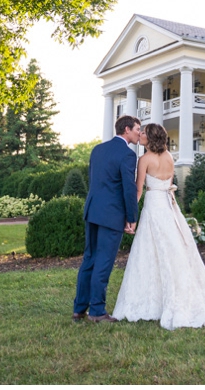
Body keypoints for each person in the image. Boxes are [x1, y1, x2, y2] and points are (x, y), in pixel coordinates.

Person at [112, 122, 205, 330]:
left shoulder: (144, 159)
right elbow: (170, 185)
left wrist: (130, 217)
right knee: (174, 251)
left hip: (154, 207)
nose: (141, 135)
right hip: (169, 207)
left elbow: (138, 192)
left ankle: (151, 302)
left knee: (149, 252)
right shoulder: (169, 158)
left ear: (151, 138)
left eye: (144, 133)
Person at [72, 115, 141, 323]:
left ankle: (79, 310)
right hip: (111, 214)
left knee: (89, 259)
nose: (140, 132)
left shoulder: (97, 150)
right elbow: (129, 188)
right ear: (127, 130)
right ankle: (97, 312)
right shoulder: (127, 155)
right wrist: (132, 217)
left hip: (92, 210)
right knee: (103, 262)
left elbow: (95, 180)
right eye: (138, 129)